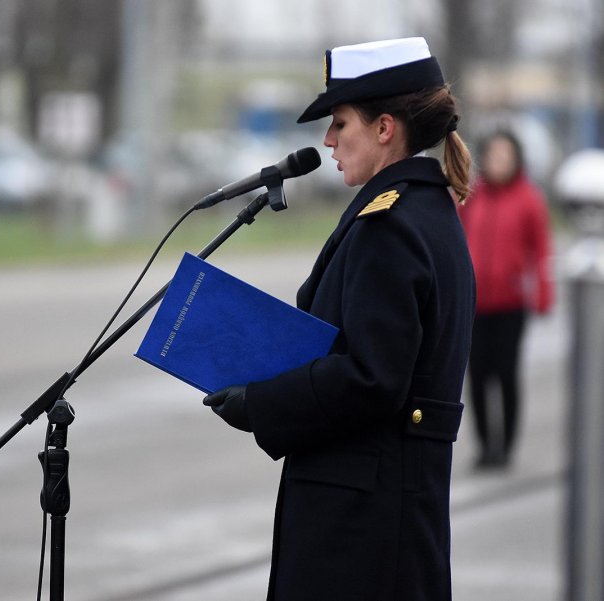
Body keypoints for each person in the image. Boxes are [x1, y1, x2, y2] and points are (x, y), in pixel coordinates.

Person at [202, 37, 475, 601]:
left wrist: (261, 402)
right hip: (391, 517)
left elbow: (373, 378)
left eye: (341, 123)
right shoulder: (427, 211)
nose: (327, 140)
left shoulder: (391, 226)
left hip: (361, 533)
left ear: (384, 128)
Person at [458, 130, 554, 469]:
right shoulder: (473, 197)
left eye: (505, 155)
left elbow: (541, 250)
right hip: (476, 305)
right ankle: (486, 447)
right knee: (478, 375)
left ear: (516, 158)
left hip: (512, 304)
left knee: (506, 373)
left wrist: (543, 294)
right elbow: (455, 242)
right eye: (494, 155)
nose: (499, 161)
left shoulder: (529, 199)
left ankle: (507, 446)